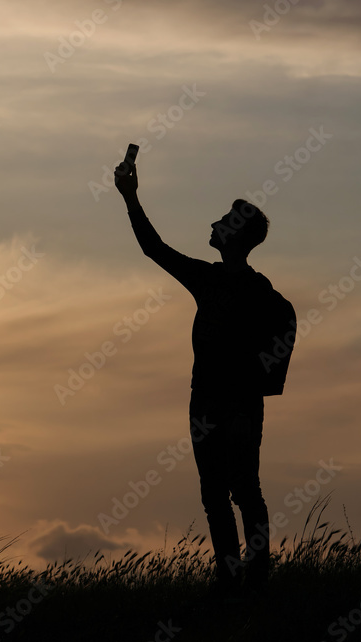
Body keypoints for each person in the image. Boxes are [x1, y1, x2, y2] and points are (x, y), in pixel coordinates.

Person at [114, 158, 275, 596]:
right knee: (219, 493)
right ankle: (234, 578)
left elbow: (155, 249)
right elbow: (155, 249)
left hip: (235, 406)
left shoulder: (250, 291)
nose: (214, 223)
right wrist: (130, 197)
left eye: (223, 220)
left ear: (236, 235)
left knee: (240, 491)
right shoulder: (213, 280)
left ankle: (253, 577)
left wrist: (131, 198)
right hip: (206, 403)